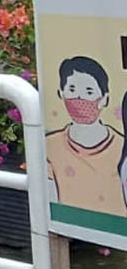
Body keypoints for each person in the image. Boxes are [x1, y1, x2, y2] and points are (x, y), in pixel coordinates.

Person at [45, 56, 127, 217]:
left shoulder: (121, 148)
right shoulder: (50, 146)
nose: (79, 98)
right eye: (72, 90)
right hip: (69, 225)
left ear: (104, 99)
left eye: (89, 92)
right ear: (61, 93)